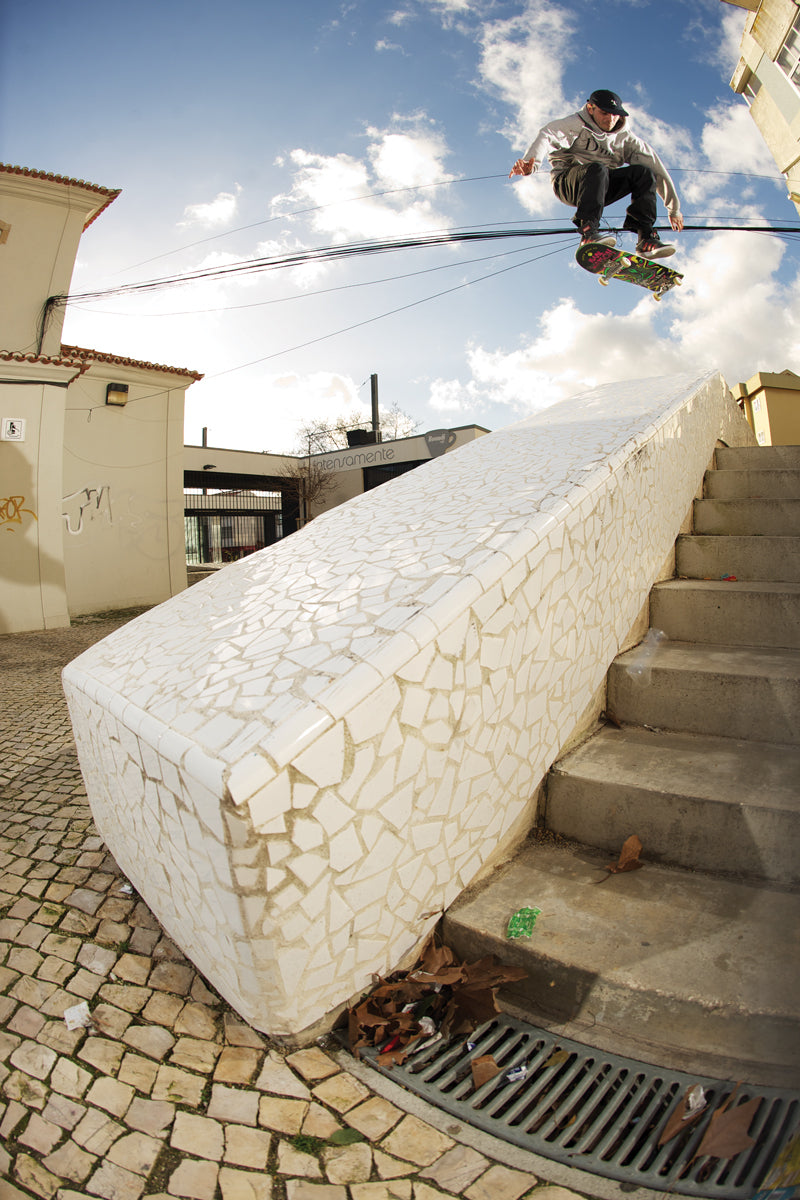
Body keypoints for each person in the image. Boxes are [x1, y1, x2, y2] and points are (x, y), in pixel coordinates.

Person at [509, 89, 684, 259]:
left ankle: (645, 239)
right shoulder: (574, 124)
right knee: (597, 168)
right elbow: (546, 135)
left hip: (600, 188)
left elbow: (657, 168)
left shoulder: (627, 140)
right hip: (567, 184)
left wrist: (673, 208)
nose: (610, 119)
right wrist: (531, 162)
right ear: (591, 108)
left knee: (643, 173)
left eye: (615, 115)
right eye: (604, 113)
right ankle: (588, 233)